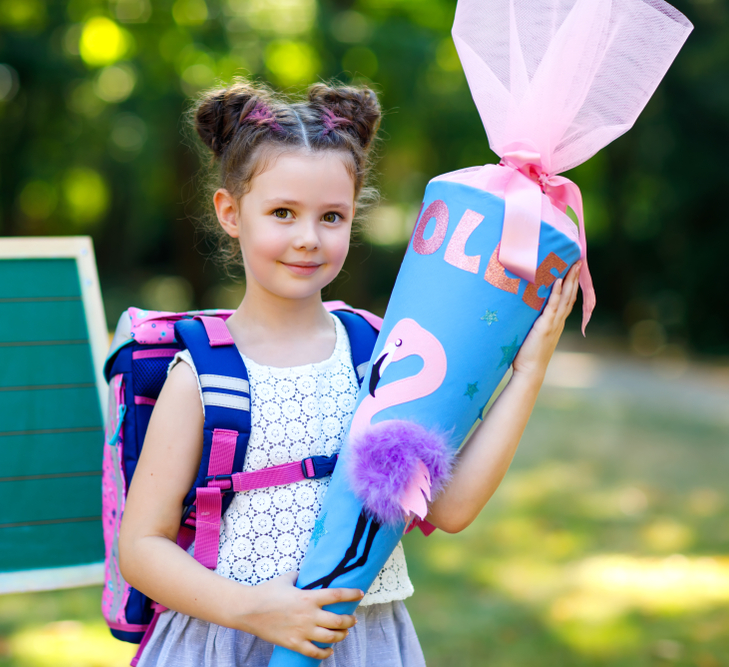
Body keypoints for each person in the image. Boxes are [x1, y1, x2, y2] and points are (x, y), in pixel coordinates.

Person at [118, 79, 582, 667]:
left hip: (363, 644)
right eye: (282, 213)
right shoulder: (204, 375)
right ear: (231, 212)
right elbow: (141, 547)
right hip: (230, 640)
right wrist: (250, 609)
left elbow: (450, 508)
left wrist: (528, 371)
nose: (308, 239)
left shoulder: (377, 351)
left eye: (331, 216)